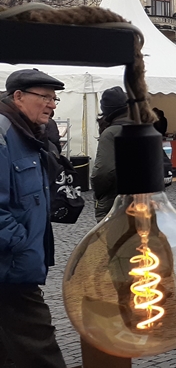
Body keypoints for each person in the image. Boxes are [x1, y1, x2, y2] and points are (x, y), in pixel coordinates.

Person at [0, 68, 68, 368]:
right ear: (18, 97)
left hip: (17, 265)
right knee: (41, 351)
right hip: (10, 270)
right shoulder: (3, 135)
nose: (52, 104)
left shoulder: (26, 133)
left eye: (54, 99)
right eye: (45, 97)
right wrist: (20, 243)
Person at [91, 86, 133, 222]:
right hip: (144, 201)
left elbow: (103, 171)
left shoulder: (111, 133)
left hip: (116, 199)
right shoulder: (144, 128)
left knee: (114, 240)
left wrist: (98, 192)